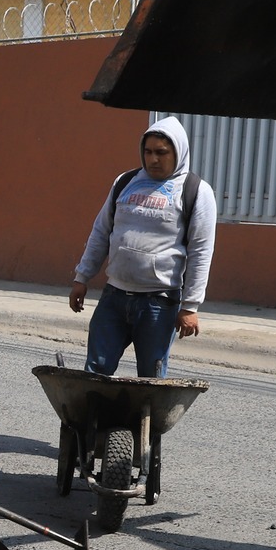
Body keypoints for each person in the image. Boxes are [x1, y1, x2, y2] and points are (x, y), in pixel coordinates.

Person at [67, 118, 217, 378]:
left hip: (158, 303)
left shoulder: (195, 191)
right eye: (148, 152)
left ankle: (147, 422)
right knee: (95, 373)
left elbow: (201, 251)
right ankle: (93, 420)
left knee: (150, 380)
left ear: (178, 153)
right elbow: (101, 232)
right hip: (114, 297)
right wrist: (82, 277)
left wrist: (190, 306)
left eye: (161, 153)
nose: (153, 160)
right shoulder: (125, 182)